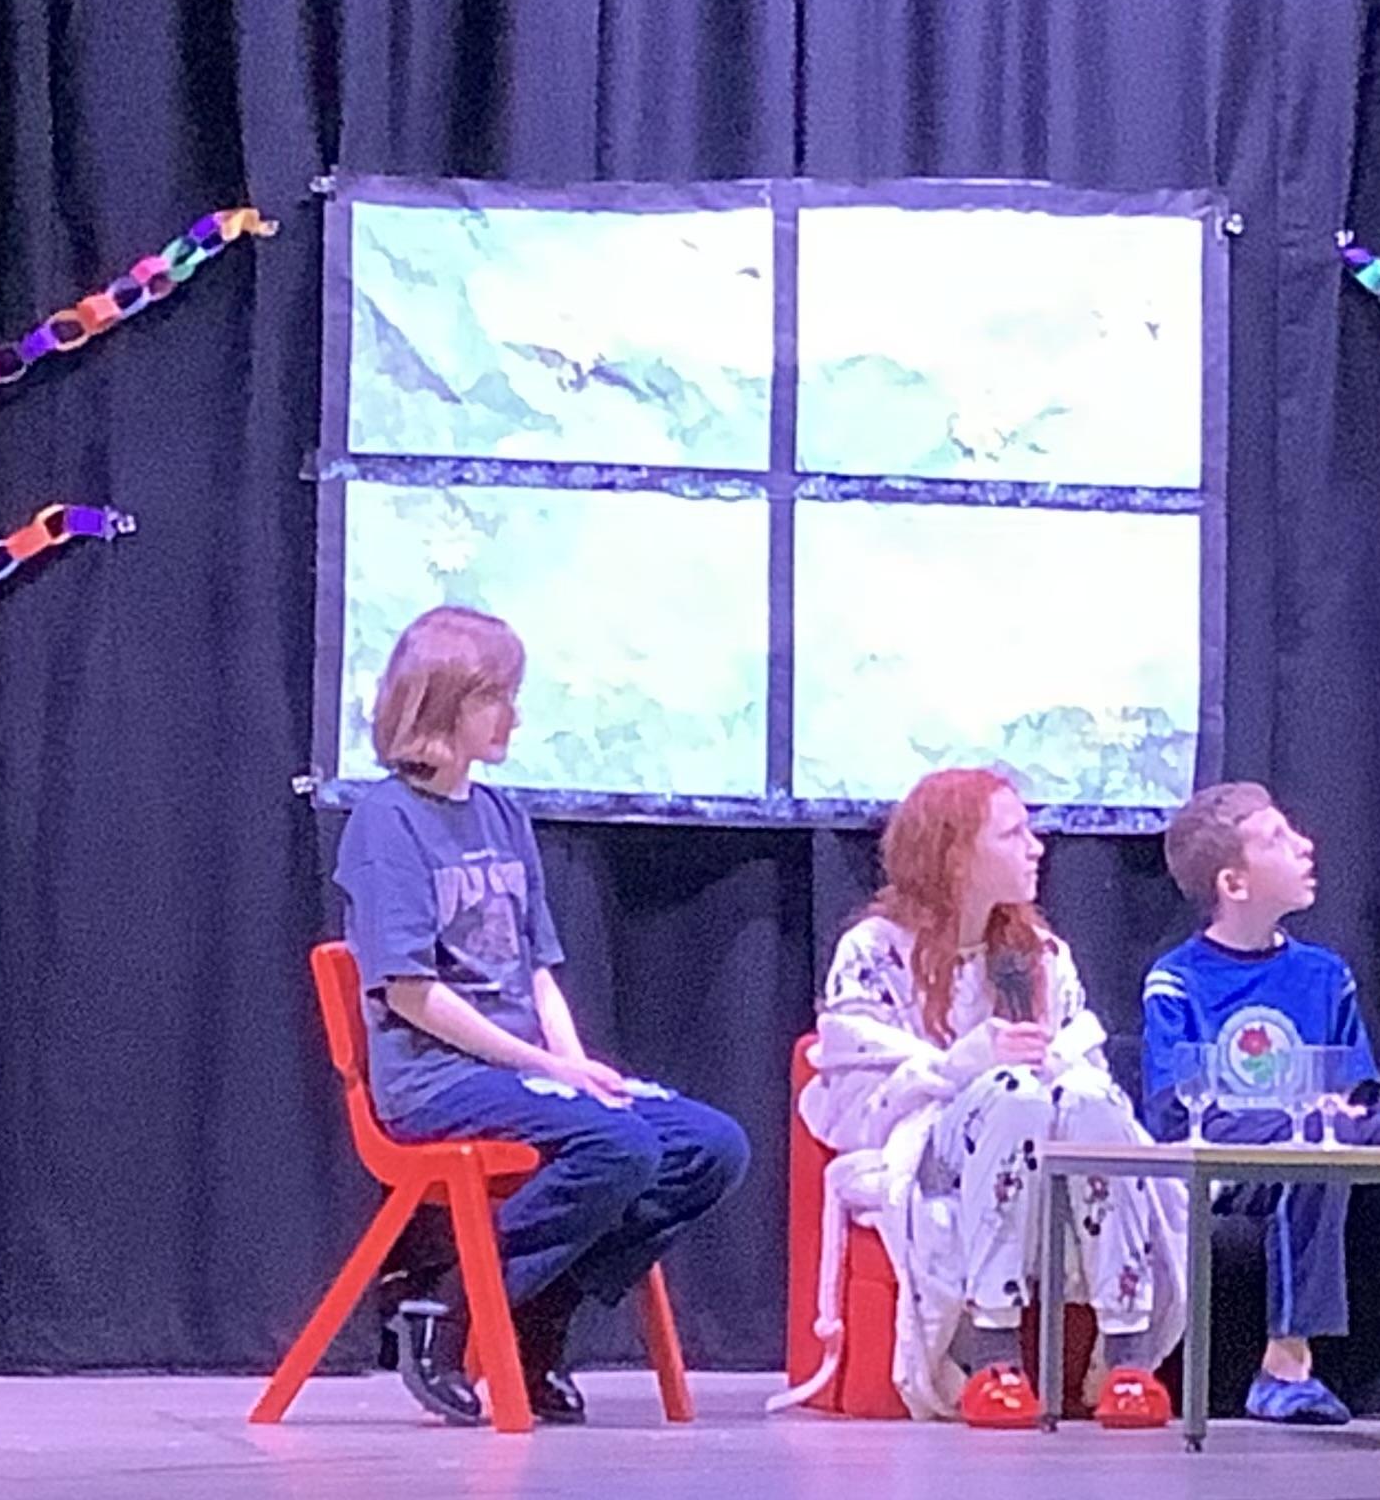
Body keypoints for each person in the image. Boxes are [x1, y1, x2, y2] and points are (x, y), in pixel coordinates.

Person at [334, 605, 751, 1428]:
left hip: (525, 1076)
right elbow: (412, 993)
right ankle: (450, 1307)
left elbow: (535, 971)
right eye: (495, 697)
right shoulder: (387, 822)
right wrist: (546, 1069)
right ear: (441, 701)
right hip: (436, 1081)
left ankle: (536, 1316)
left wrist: (576, 1065)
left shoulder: (502, 816)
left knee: (709, 1146)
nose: (513, 718)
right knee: (618, 1145)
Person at [800, 767, 1186, 1427]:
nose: (1036, 848)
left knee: (1091, 1098)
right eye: (1013, 835)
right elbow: (858, 1090)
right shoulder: (873, 950)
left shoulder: (1038, 952)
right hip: (930, 1142)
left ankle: (1127, 1360)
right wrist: (962, 1066)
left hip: (1047, 1135)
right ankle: (994, 1356)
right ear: (954, 854)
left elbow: (1078, 1051)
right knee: (1010, 1094)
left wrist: (1054, 1066)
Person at [1138, 781, 1380, 1425]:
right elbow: (1174, 1115)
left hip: (1324, 1149)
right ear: (1233, 883)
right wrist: (1298, 1121)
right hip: (1232, 1170)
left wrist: (1339, 1114)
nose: (1305, 846)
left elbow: (1358, 1090)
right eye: (1277, 839)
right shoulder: (1178, 979)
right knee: (1312, 1135)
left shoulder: (1325, 973)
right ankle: (1284, 1361)